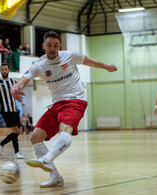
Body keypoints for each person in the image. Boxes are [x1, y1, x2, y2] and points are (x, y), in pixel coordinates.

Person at [10, 31, 117, 188]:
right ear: (43, 46)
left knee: (64, 130)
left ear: (59, 45)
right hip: (56, 104)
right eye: (49, 46)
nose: (52, 49)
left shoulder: (70, 56)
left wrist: (107, 67)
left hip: (75, 100)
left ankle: (47, 158)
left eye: (55, 45)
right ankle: (55, 177)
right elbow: (24, 80)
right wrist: (16, 87)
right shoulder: (39, 64)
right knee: (35, 137)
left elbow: (90, 62)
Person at [0, 63, 25, 159]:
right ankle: (16, 152)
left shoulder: (13, 81)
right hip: (6, 110)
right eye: (2, 69)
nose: (4, 71)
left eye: (6, 69)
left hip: (14, 109)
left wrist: (21, 101)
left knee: (18, 131)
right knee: (15, 131)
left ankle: (1, 143)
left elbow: (16, 94)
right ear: (0, 71)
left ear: (8, 70)